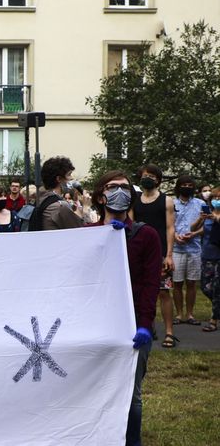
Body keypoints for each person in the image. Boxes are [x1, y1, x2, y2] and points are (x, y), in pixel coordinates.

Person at [89, 171, 160, 446]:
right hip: (96, 324)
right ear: (100, 196)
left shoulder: (147, 235)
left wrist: (144, 323)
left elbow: (150, 283)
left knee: (131, 394)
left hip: (132, 326)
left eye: (124, 187)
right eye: (112, 187)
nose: (119, 191)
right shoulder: (86, 235)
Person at [132, 164, 178, 348]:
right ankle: (147, 326)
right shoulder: (134, 201)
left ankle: (169, 332)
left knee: (164, 293)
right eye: (144, 175)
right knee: (140, 292)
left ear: (158, 180)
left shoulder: (167, 201)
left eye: (151, 175)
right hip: (139, 254)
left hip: (160, 255)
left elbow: (170, 228)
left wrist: (169, 255)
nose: (147, 178)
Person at [171, 175, 206, 325]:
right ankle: (179, 315)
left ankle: (190, 314)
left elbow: (208, 226)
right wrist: (175, 236)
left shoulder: (201, 203)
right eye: (184, 184)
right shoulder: (170, 203)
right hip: (176, 249)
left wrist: (195, 233)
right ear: (178, 187)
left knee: (191, 283)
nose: (187, 187)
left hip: (194, 249)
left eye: (189, 185)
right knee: (177, 283)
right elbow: (168, 225)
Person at [32, 156, 84, 231]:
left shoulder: (40, 199)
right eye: (69, 175)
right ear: (59, 179)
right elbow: (79, 230)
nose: (71, 178)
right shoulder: (60, 206)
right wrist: (85, 208)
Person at [201, 186, 220, 333]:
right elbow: (202, 229)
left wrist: (217, 218)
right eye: (215, 198)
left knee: (217, 289)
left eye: (219, 198)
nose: (217, 201)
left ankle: (213, 321)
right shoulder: (209, 213)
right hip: (207, 255)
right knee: (205, 287)